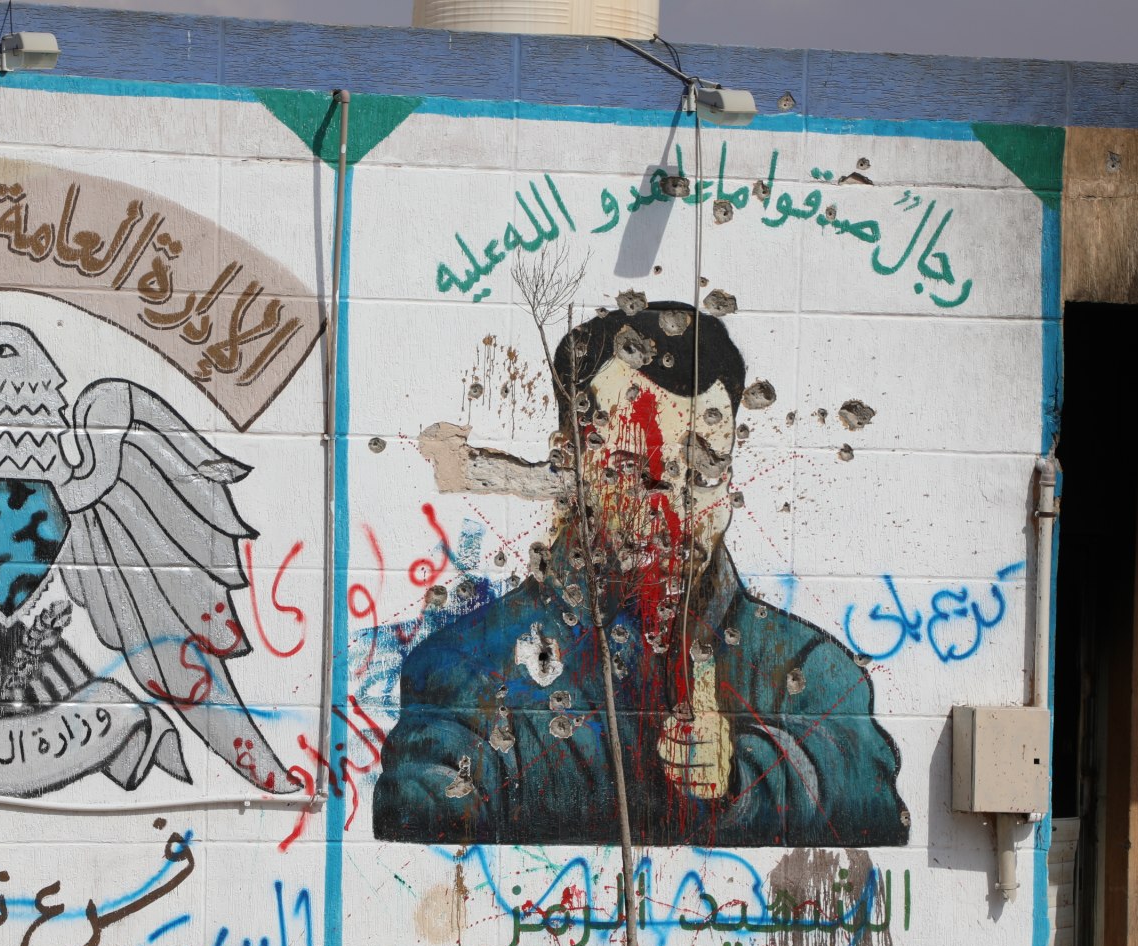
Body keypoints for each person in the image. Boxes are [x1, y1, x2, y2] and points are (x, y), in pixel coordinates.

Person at [373, 301, 907, 847]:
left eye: (704, 470)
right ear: (572, 463)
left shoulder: (813, 674)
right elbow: (421, 816)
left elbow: (868, 798)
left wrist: (742, 776)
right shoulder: (469, 672)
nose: (674, 508)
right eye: (638, 471)